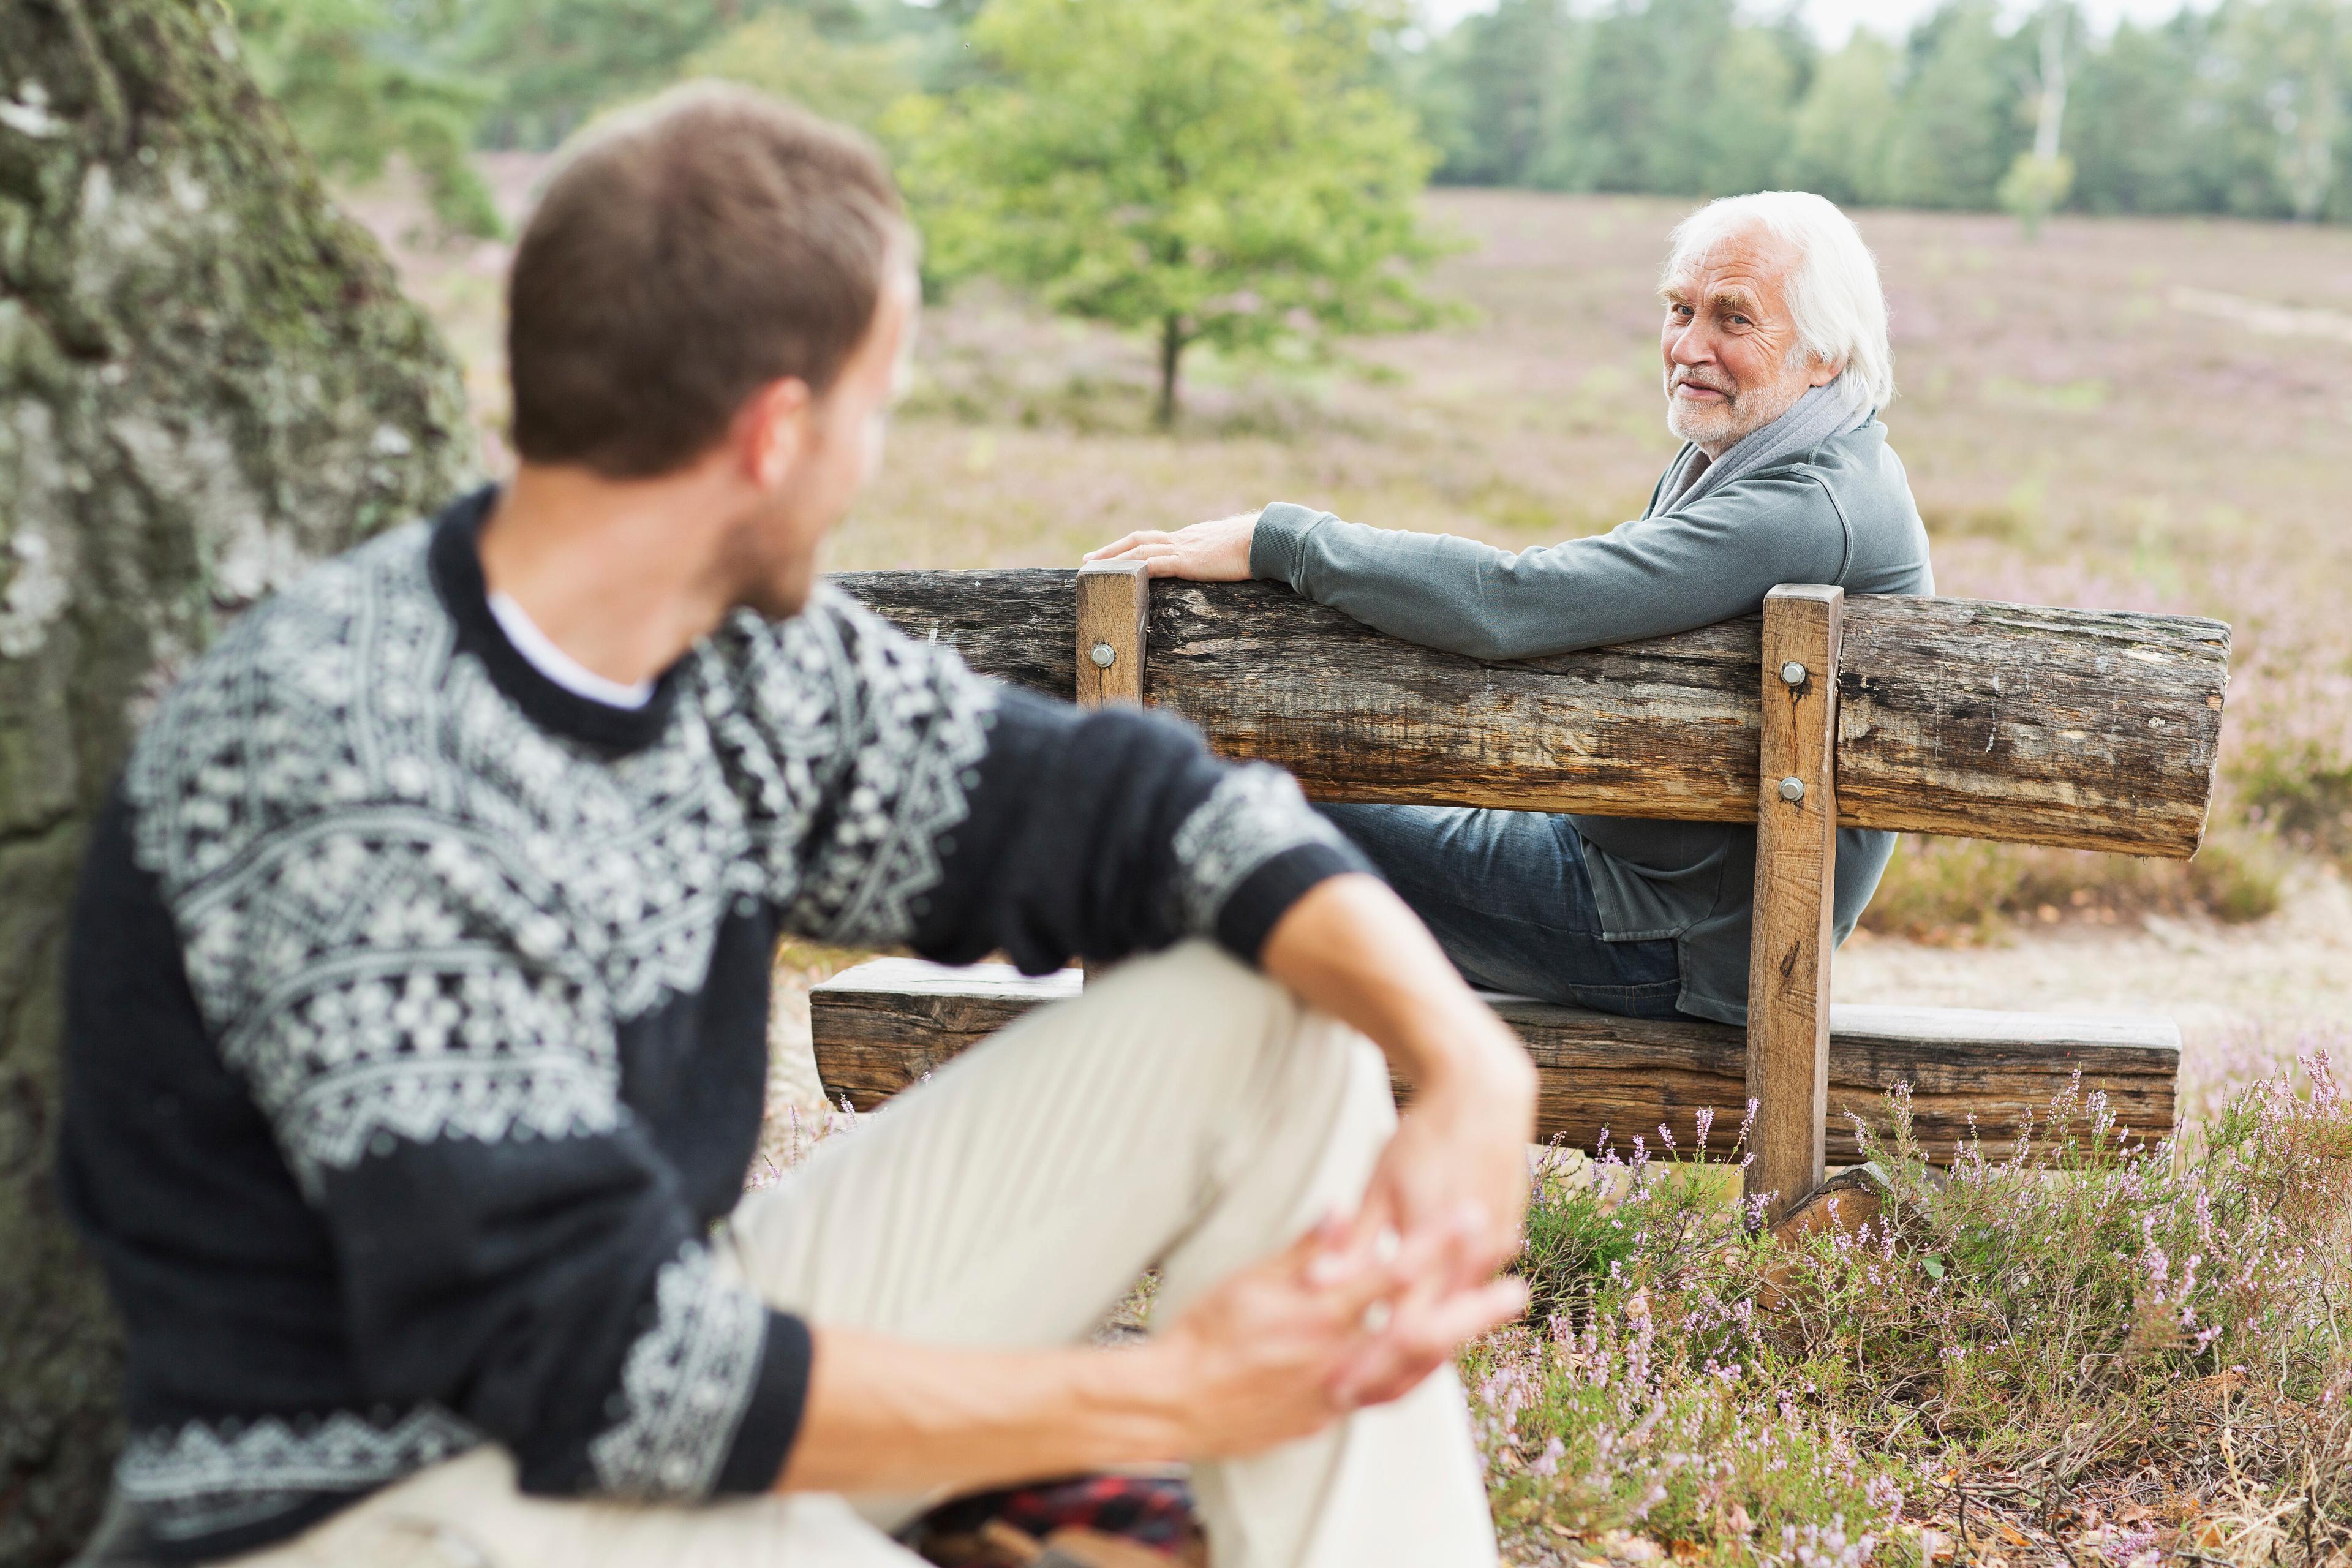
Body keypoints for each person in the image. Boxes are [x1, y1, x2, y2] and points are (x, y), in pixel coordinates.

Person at [57, 86, 1537, 1568]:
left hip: (653, 1367)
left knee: (1266, 998)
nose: (875, 454)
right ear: (775, 433)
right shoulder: (352, 750)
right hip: (378, 1501)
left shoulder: (738, 664)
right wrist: (1163, 1393)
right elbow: (596, 1369)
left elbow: (1148, 814)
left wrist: (1466, 1060)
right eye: (877, 405)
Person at [1090, 191, 1934, 1030]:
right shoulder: (1792, 452)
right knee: (1285, 803)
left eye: (1733, 319)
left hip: (1672, 937)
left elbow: (1516, 603)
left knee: (1242, 807)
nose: (1687, 346)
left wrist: (1280, 541)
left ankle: (1166, 1083)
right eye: (1680, 309)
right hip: (1649, 885)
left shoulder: (1804, 505)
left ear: (1824, 355)